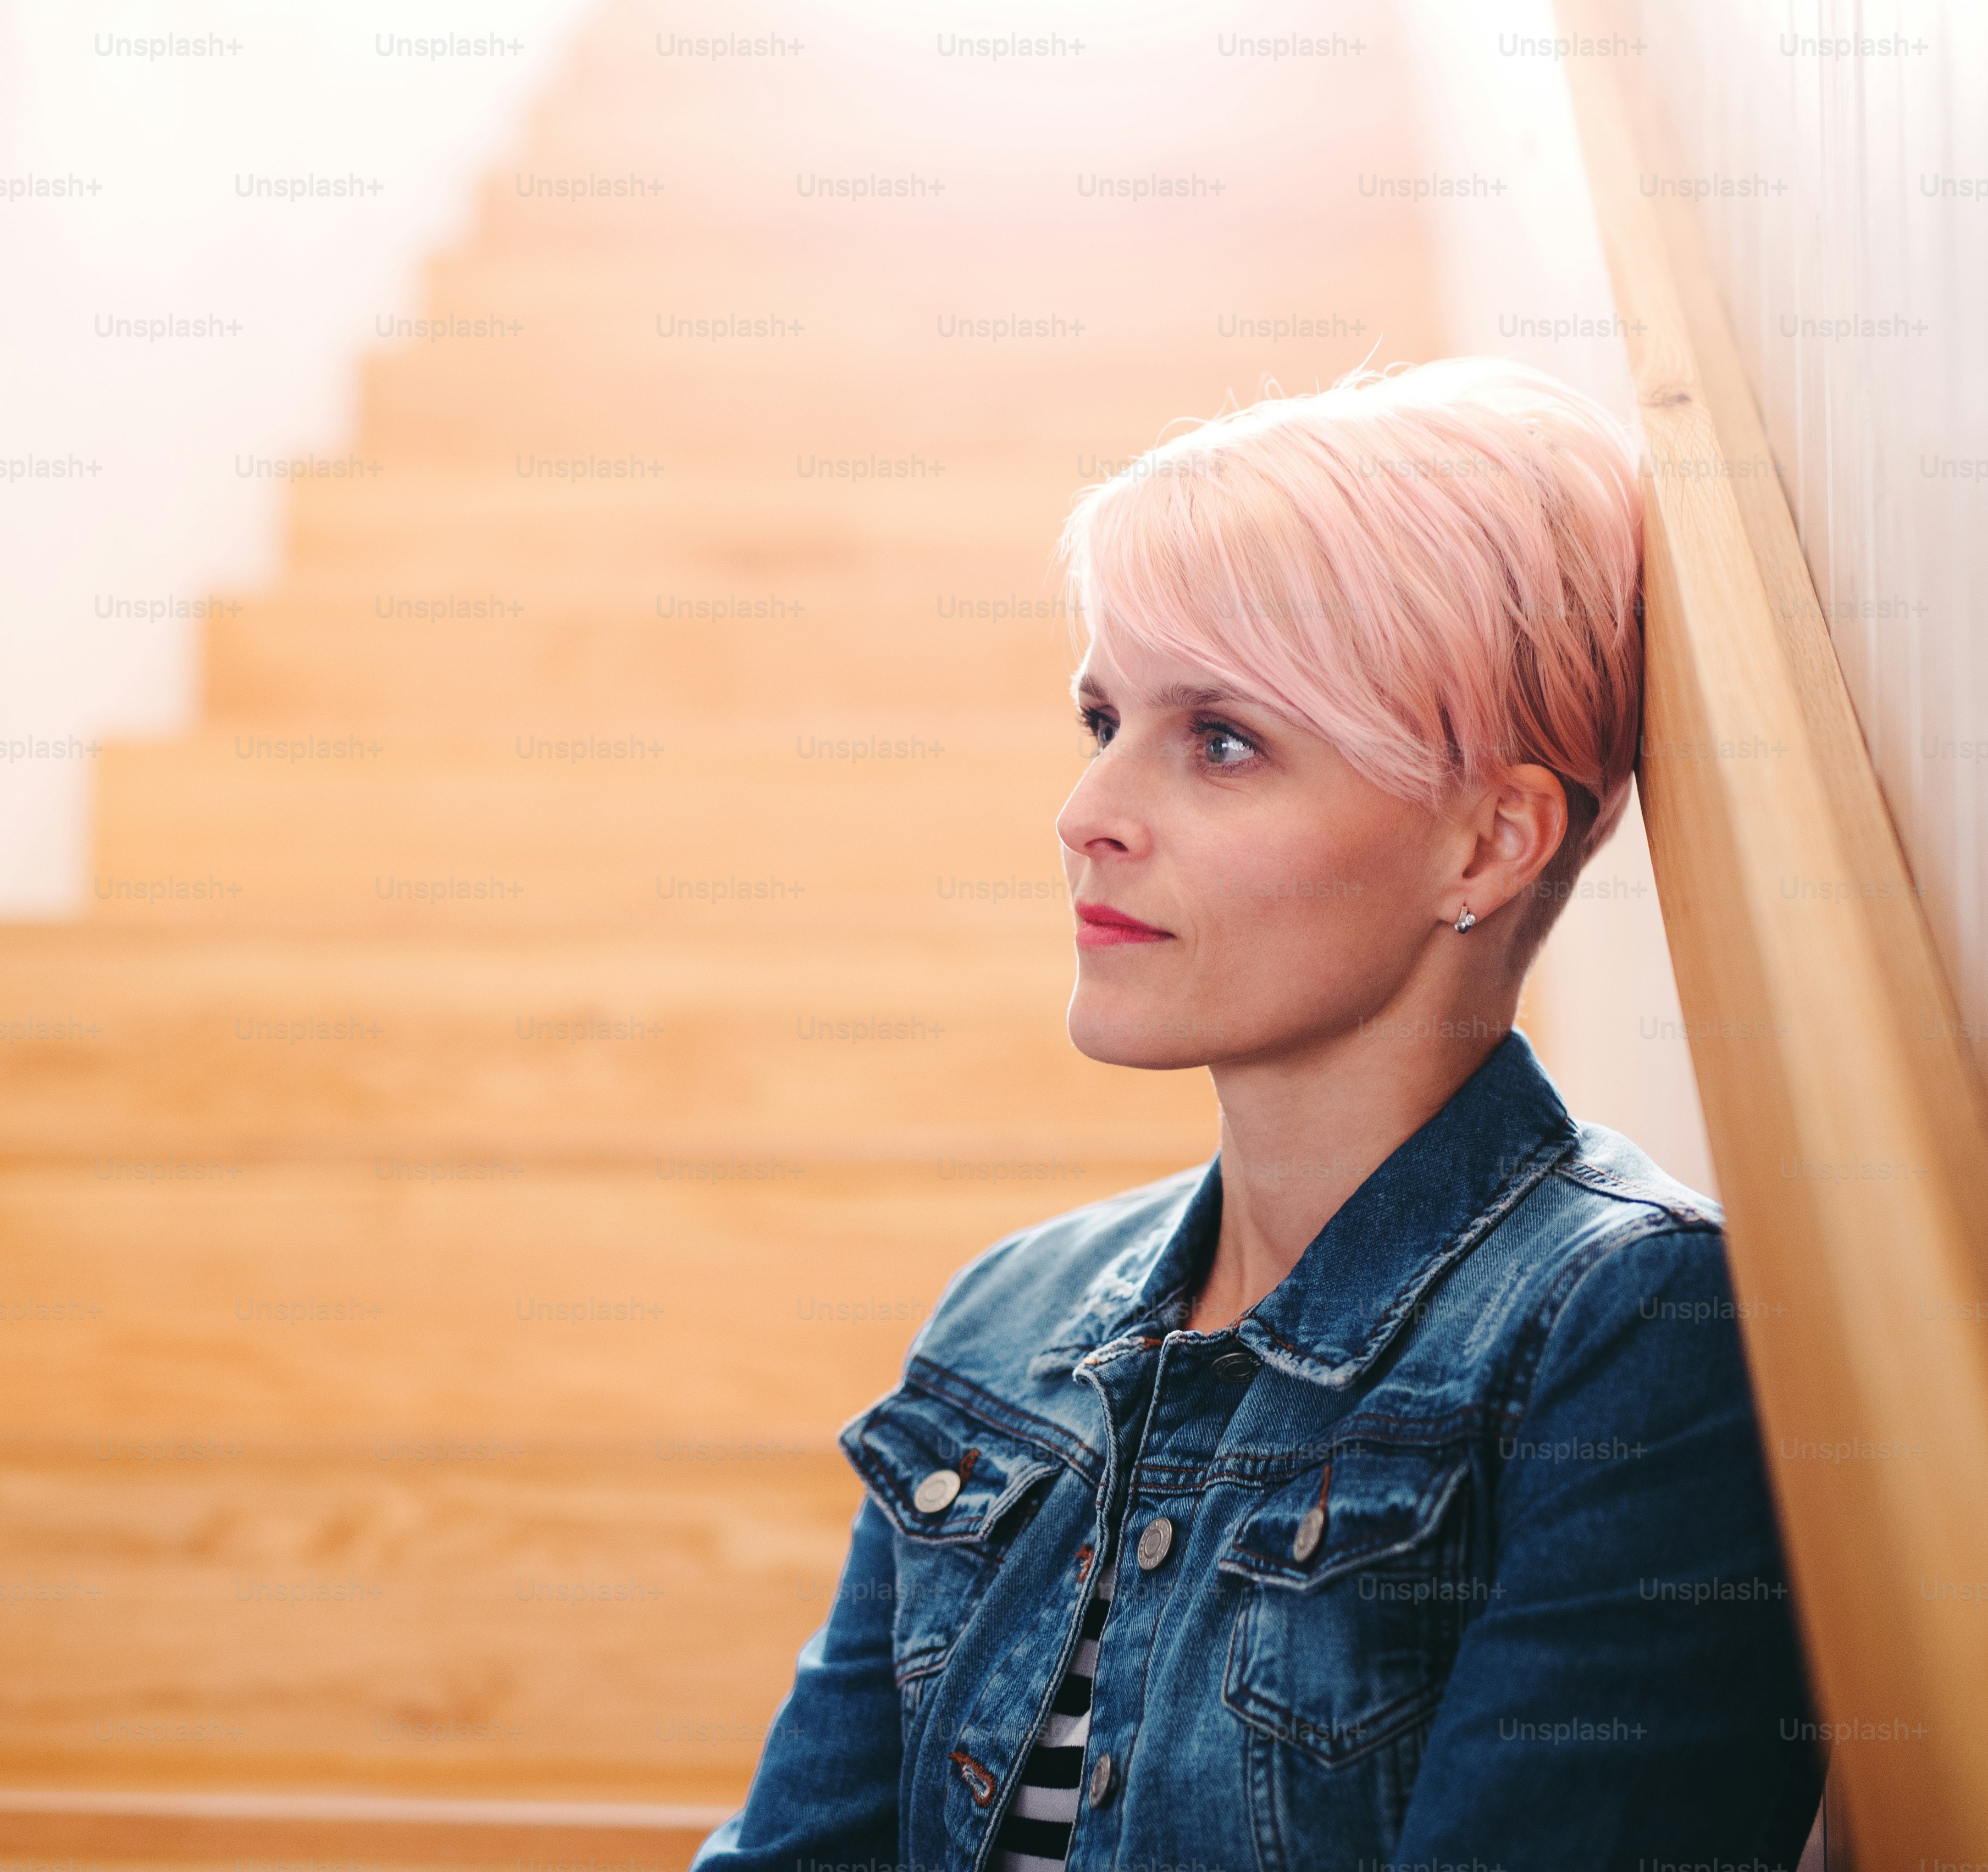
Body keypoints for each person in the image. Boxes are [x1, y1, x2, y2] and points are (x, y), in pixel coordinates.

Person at [691, 359, 1822, 1870]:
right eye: (1105, 719)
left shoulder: (1632, 1331)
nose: (1087, 812)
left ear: (1489, 841)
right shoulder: (1009, 1321)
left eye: (1222, 739)